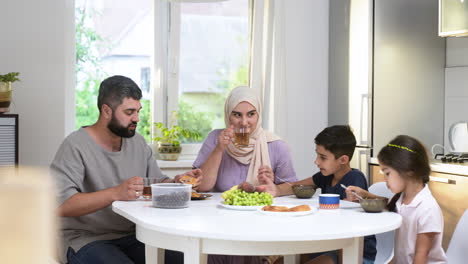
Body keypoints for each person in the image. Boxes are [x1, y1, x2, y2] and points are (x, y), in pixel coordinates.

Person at [51, 75, 201, 264]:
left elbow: (156, 183)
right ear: (106, 111)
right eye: (129, 112)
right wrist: (115, 192)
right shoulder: (75, 145)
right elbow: (61, 205)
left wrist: (177, 182)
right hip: (86, 238)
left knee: (183, 259)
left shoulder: (137, 142)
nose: (136, 118)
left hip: (134, 235)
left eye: (138, 111)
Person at [193, 86, 297, 264]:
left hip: (261, 227)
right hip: (218, 226)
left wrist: (275, 189)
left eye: (251, 114)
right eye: (237, 115)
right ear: (227, 115)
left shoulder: (277, 146)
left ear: (259, 114)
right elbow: (202, 186)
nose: (244, 122)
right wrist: (219, 149)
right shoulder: (215, 139)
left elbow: (293, 187)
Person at [259, 125, 376, 264]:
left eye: (323, 157)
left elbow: (352, 224)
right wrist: (276, 190)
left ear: (343, 160)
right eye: (317, 155)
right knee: (281, 260)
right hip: (328, 244)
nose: (316, 161)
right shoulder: (326, 175)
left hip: (353, 250)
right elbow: (296, 186)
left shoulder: (355, 178)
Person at [346, 135, 447, 264]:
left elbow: (421, 256)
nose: (385, 179)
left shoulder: (427, 209)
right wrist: (365, 194)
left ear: (408, 170)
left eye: (387, 173)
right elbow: (388, 203)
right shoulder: (403, 199)